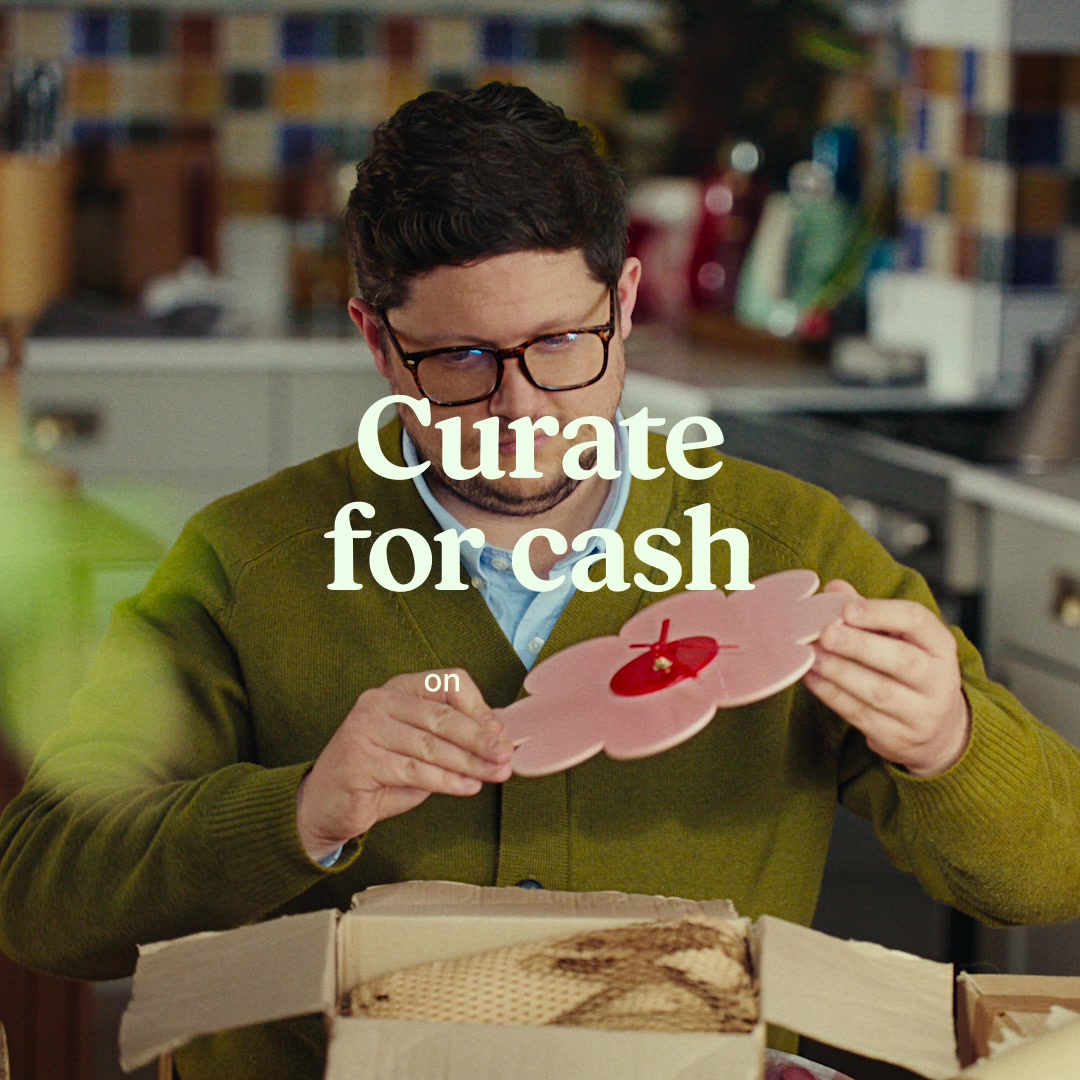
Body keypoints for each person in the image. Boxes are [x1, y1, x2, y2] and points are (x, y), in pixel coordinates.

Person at [2, 83, 1079, 1079]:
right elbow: (41, 894)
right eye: (461, 360)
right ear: (377, 341)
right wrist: (300, 811)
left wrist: (949, 744)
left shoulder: (789, 546)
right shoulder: (247, 564)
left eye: (562, 343)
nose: (521, 409)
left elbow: (1049, 874)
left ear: (626, 301)